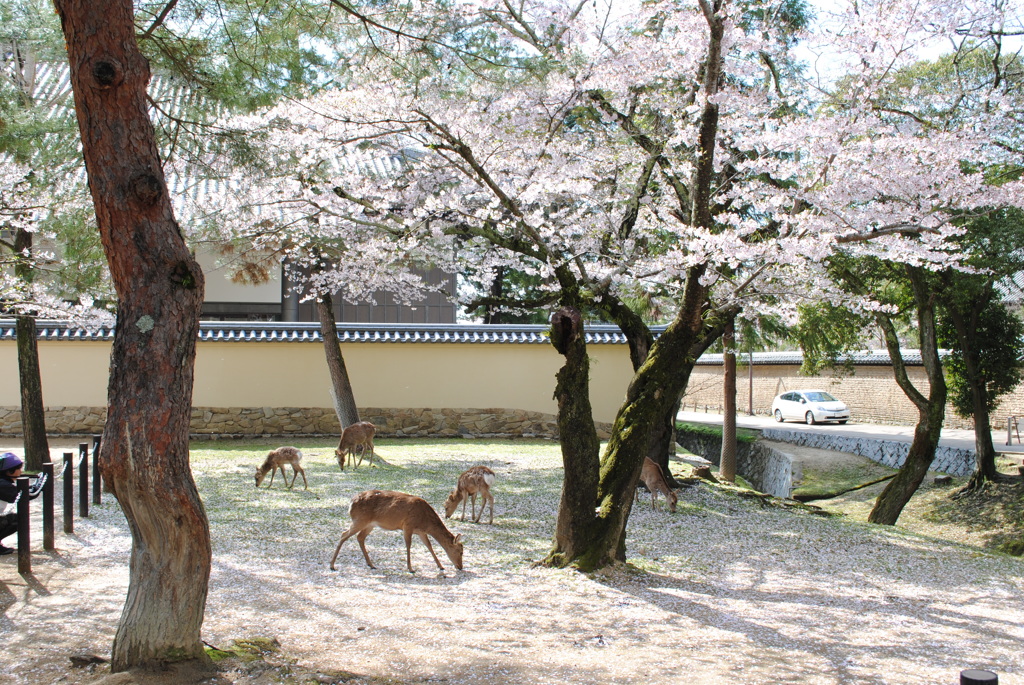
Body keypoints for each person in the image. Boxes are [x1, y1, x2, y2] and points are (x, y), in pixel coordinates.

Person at [0, 453, 41, 556]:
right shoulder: (3, 485)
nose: (21, 471)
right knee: (18, 520)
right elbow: (25, 495)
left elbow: (21, 491)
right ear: (9, 471)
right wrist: (39, 486)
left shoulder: (3, 482)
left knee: (15, 518)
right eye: (18, 468)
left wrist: (36, 485)